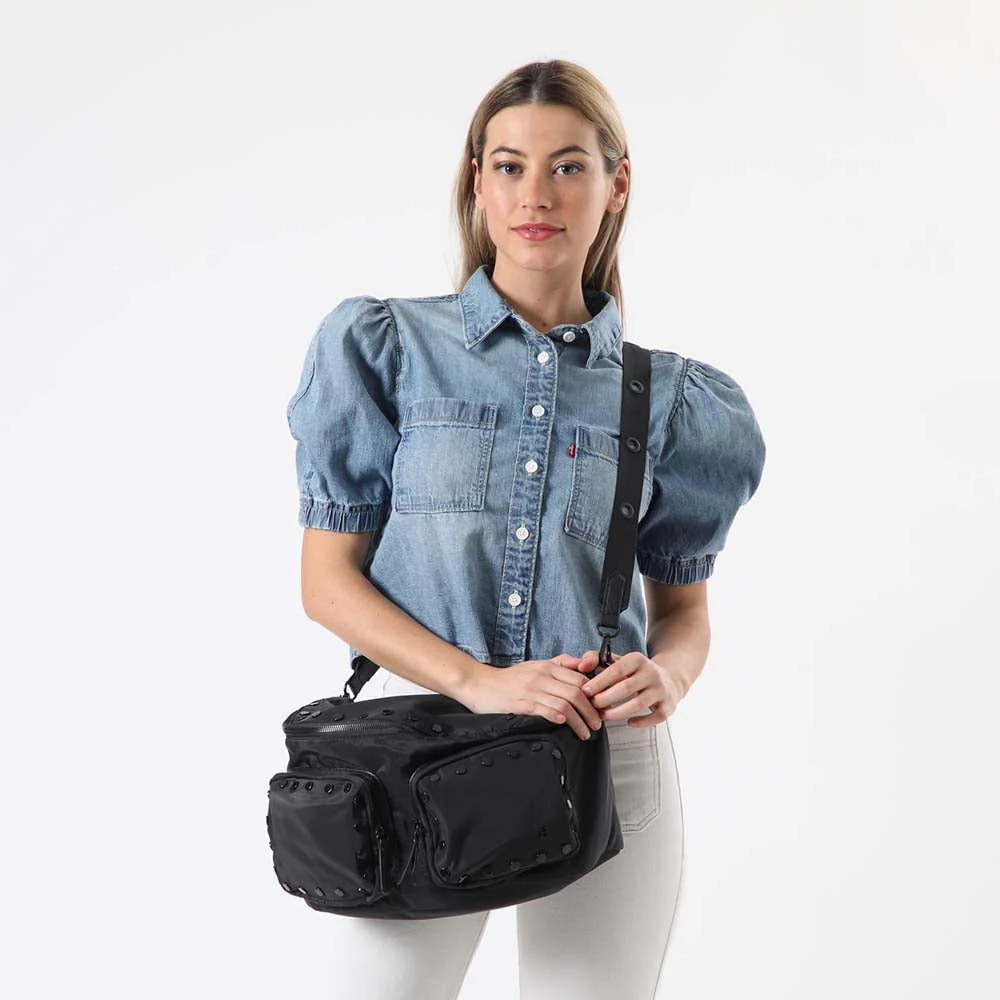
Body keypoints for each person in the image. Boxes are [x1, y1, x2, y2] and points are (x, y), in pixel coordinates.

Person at [285, 58, 766, 1000]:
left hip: (605, 749)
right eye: (509, 166)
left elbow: (683, 613)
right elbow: (325, 582)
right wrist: (481, 683)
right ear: (478, 182)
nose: (535, 194)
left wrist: (668, 675)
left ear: (616, 186)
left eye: (568, 166)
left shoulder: (672, 399)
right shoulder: (387, 347)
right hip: (419, 733)